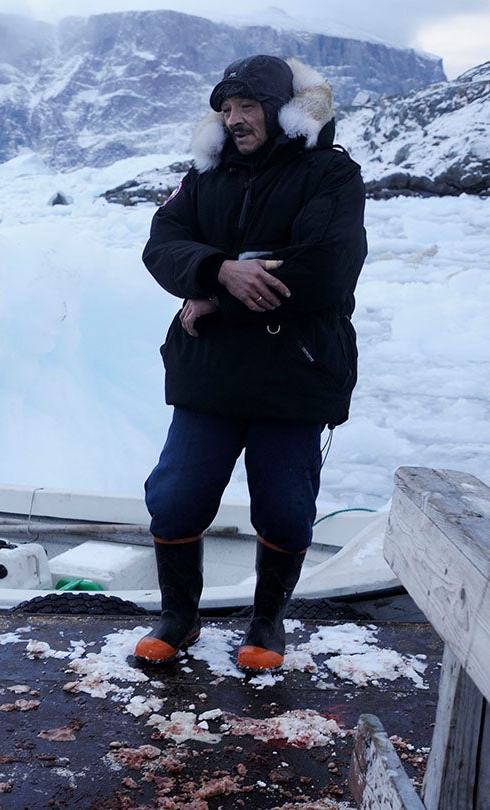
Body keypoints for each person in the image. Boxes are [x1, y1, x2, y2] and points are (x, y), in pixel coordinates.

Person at [135, 55, 367, 671]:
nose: (236, 120)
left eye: (249, 107)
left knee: (285, 507)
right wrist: (216, 268)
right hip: (209, 374)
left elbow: (326, 267)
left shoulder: (331, 176)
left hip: (294, 371)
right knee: (178, 496)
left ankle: (267, 622)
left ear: (285, 110)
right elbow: (162, 245)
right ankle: (179, 616)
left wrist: (213, 293)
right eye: (226, 110)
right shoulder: (204, 178)